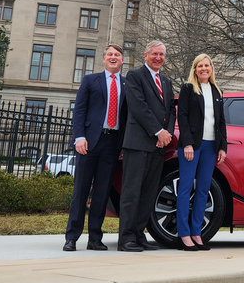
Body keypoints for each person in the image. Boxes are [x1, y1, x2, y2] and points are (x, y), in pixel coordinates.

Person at [63, 44, 126, 252]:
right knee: (81, 191)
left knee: (102, 192)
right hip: (88, 143)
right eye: (110, 54)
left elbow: (128, 118)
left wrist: (123, 145)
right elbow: (79, 110)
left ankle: (95, 238)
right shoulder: (91, 80)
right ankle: (71, 237)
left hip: (112, 144)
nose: (113, 57)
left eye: (117, 54)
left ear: (122, 60)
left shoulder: (127, 84)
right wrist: (78, 137)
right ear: (104, 59)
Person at [117, 40, 176, 252]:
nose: (158, 57)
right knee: (132, 191)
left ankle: (139, 234)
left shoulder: (166, 82)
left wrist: (166, 133)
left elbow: (170, 109)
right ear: (145, 55)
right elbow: (138, 106)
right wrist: (158, 131)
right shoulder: (134, 76)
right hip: (138, 143)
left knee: (149, 192)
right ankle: (125, 238)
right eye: (154, 54)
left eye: (161, 54)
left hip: (158, 146)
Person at [176, 54, 227, 251]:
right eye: (200, 66)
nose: (203, 69)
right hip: (192, 146)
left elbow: (221, 121)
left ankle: (196, 233)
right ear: (195, 69)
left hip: (210, 146)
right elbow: (183, 116)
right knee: (186, 188)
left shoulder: (216, 90)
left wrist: (222, 146)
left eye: (207, 65)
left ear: (211, 68)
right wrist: (187, 143)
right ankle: (184, 234)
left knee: (203, 190)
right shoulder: (188, 88)